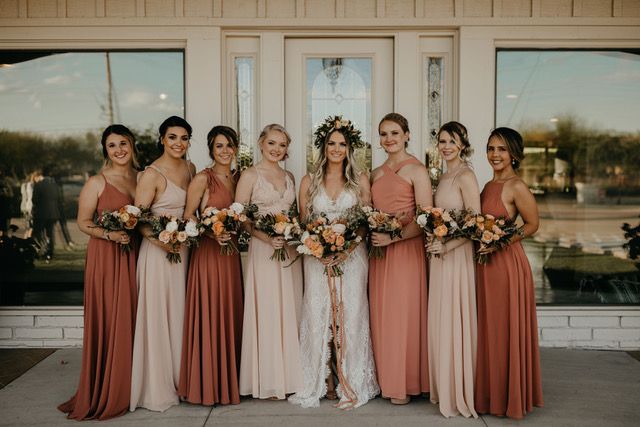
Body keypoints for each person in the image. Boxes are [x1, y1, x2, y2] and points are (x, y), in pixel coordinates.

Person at [289, 116, 379, 409]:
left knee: (350, 315)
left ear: (349, 148)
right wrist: (318, 247)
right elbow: (304, 223)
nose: (336, 149)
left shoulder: (360, 180)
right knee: (318, 315)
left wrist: (347, 247)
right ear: (323, 146)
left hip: (352, 258)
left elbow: (365, 222)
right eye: (331, 143)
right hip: (317, 258)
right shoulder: (308, 181)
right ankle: (322, 378)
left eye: (342, 144)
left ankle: (349, 378)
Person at [58, 124, 139, 420]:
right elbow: (83, 222)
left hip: (136, 254)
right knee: (110, 318)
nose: (119, 150)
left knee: (133, 317)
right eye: (112, 145)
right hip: (107, 257)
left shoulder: (142, 177)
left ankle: (134, 384)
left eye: (124, 144)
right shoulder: (96, 182)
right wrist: (109, 235)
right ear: (105, 150)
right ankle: (107, 387)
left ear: (132, 146)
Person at [475, 127, 543, 419]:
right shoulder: (488, 185)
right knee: (488, 329)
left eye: (501, 149)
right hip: (485, 265)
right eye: (491, 148)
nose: (495, 154)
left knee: (504, 328)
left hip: (506, 265)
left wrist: (499, 241)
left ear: (514, 153)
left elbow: (531, 224)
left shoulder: (516, 186)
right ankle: (490, 395)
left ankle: (508, 397)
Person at [130, 116, 195, 412]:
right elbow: (138, 221)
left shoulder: (191, 169)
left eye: (183, 138)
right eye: (172, 137)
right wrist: (162, 241)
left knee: (180, 313)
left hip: (183, 252)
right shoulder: (151, 175)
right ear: (161, 139)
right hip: (157, 254)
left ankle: (183, 379)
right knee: (158, 315)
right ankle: (157, 384)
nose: (178, 143)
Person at [236, 124, 303, 400]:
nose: (277, 149)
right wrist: (266, 237)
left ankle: (291, 376)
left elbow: (295, 214)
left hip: (289, 251)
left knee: (290, 308)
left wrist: (291, 233)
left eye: (282, 145)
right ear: (261, 143)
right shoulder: (250, 175)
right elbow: (240, 217)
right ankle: (268, 379)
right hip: (263, 252)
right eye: (272, 143)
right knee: (266, 309)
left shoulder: (289, 176)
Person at [368, 113, 432, 405]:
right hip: (380, 255)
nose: (389, 139)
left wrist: (393, 237)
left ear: (407, 135)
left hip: (405, 251)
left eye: (395, 133)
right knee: (383, 314)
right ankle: (387, 380)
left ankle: (406, 383)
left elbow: (425, 218)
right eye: (383, 134)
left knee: (404, 314)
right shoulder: (376, 173)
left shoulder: (417, 170)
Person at [178, 126, 244, 406]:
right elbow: (188, 216)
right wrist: (210, 231)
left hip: (230, 259)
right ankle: (208, 384)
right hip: (208, 256)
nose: (225, 151)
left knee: (230, 311)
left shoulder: (239, 178)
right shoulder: (202, 179)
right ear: (210, 149)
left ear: (236, 148)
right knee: (211, 313)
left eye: (229, 145)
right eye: (219, 146)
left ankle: (232, 380)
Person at [426, 121, 480, 418]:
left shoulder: (465, 175)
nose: (446, 146)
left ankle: (458, 389)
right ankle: (443, 384)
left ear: (462, 144)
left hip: (456, 257)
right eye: (442, 141)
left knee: (454, 319)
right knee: (440, 319)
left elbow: (474, 222)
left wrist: (447, 246)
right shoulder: (443, 175)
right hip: (439, 255)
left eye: (452, 141)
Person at [32, 165, 60, 261]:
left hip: (41, 213)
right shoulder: (55, 185)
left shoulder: (39, 185)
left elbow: (34, 200)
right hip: (53, 213)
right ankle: (50, 252)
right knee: (50, 234)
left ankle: (40, 250)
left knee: (37, 233)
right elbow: (59, 199)